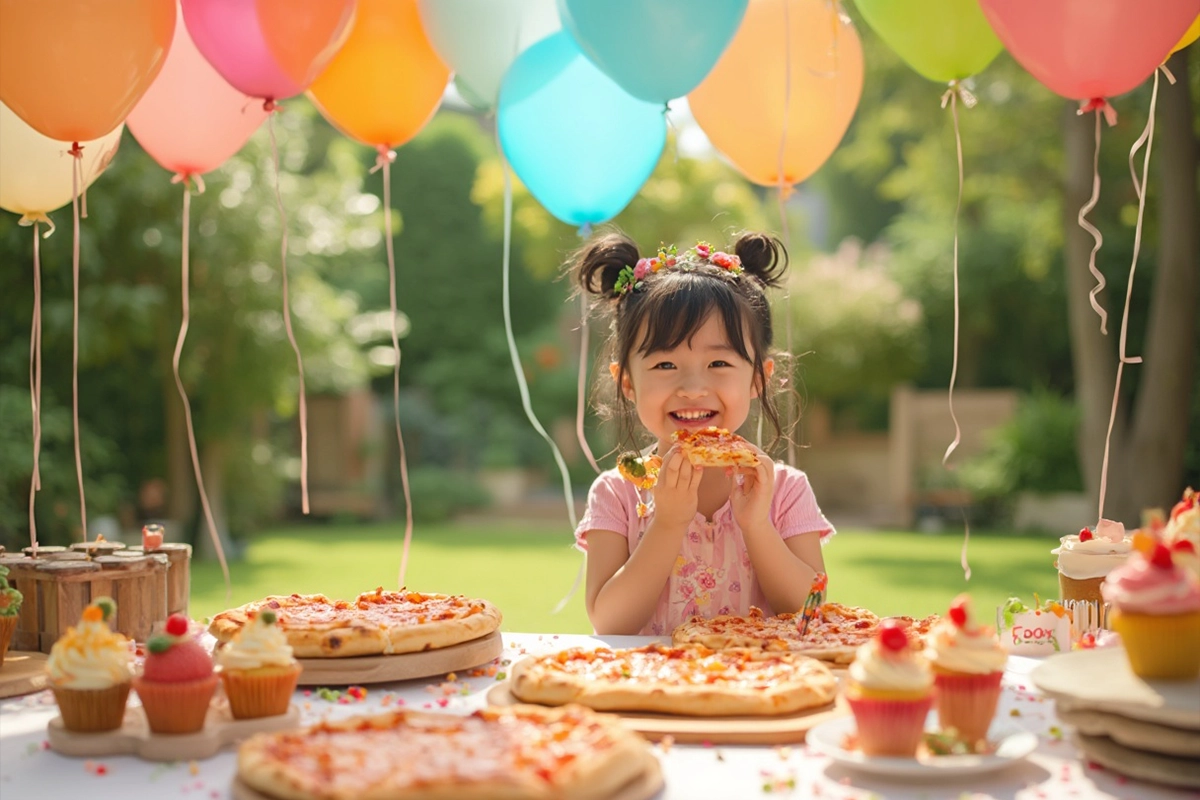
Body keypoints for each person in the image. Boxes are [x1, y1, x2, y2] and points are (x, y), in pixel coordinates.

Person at [571, 230, 835, 636]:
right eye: (664, 366)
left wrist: (758, 525)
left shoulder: (784, 489)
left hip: (759, 689)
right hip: (652, 692)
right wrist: (668, 523)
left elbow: (810, 616)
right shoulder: (618, 493)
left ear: (757, 380)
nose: (693, 388)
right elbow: (609, 622)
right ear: (627, 383)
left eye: (719, 364)